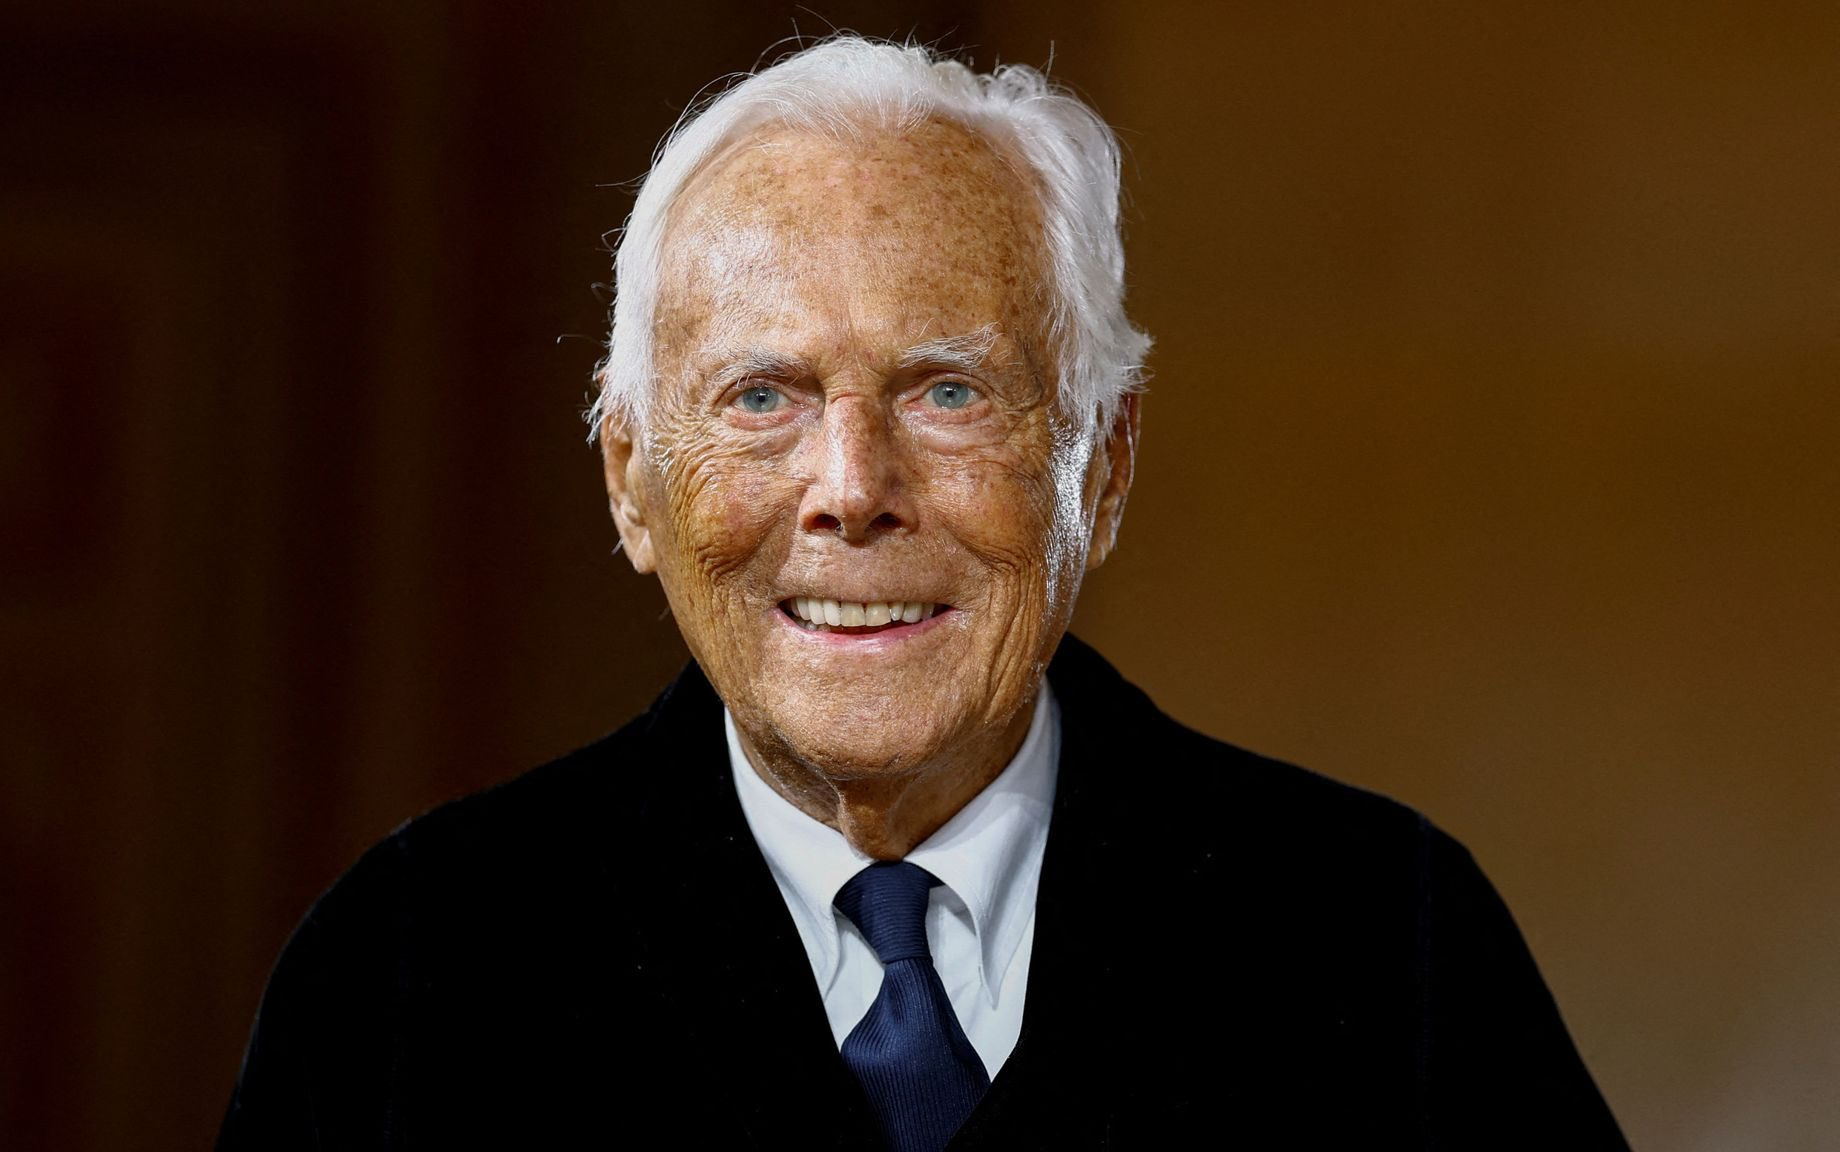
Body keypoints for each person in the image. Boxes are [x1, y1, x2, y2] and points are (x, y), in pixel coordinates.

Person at [218, 36, 1627, 1150]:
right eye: (760, 397)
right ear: (629, 482)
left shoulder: (1384, 952)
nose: (851, 485)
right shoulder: (412, 977)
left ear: (1105, 464)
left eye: (949, 392)